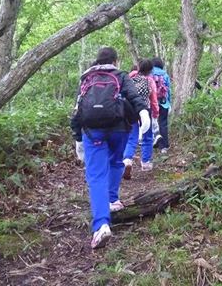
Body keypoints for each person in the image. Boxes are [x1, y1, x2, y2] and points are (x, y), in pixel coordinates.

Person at [70, 47, 150, 249]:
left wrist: (78, 138)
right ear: (115, 60)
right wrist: (143, 113)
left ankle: (101, 225)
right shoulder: (120, 75)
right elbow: (134, 97)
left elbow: (79, 108)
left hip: (92, 130)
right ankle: (112, 199)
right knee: (116, 161)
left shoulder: (86, 78)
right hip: (119, 128)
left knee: (96, 174)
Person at [123, 59, 160, 177]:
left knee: (131, 137)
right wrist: (155, 113)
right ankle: (145, 162)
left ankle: (127, 160)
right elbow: (153, 99)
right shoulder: (149, 81)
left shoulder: (129, 78)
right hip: (145, 110)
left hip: (130, 110)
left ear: (138, 67)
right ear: (150, 70)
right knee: (147, 137)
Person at [151, 57, 171, 153]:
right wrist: (169, 102)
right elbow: (168, 90)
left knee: (152, 123)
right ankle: (164, 146)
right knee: (163, 123)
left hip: (152, 103)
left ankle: (153, 143)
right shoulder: (165, 74)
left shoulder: (149, 73)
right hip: (164, 103)